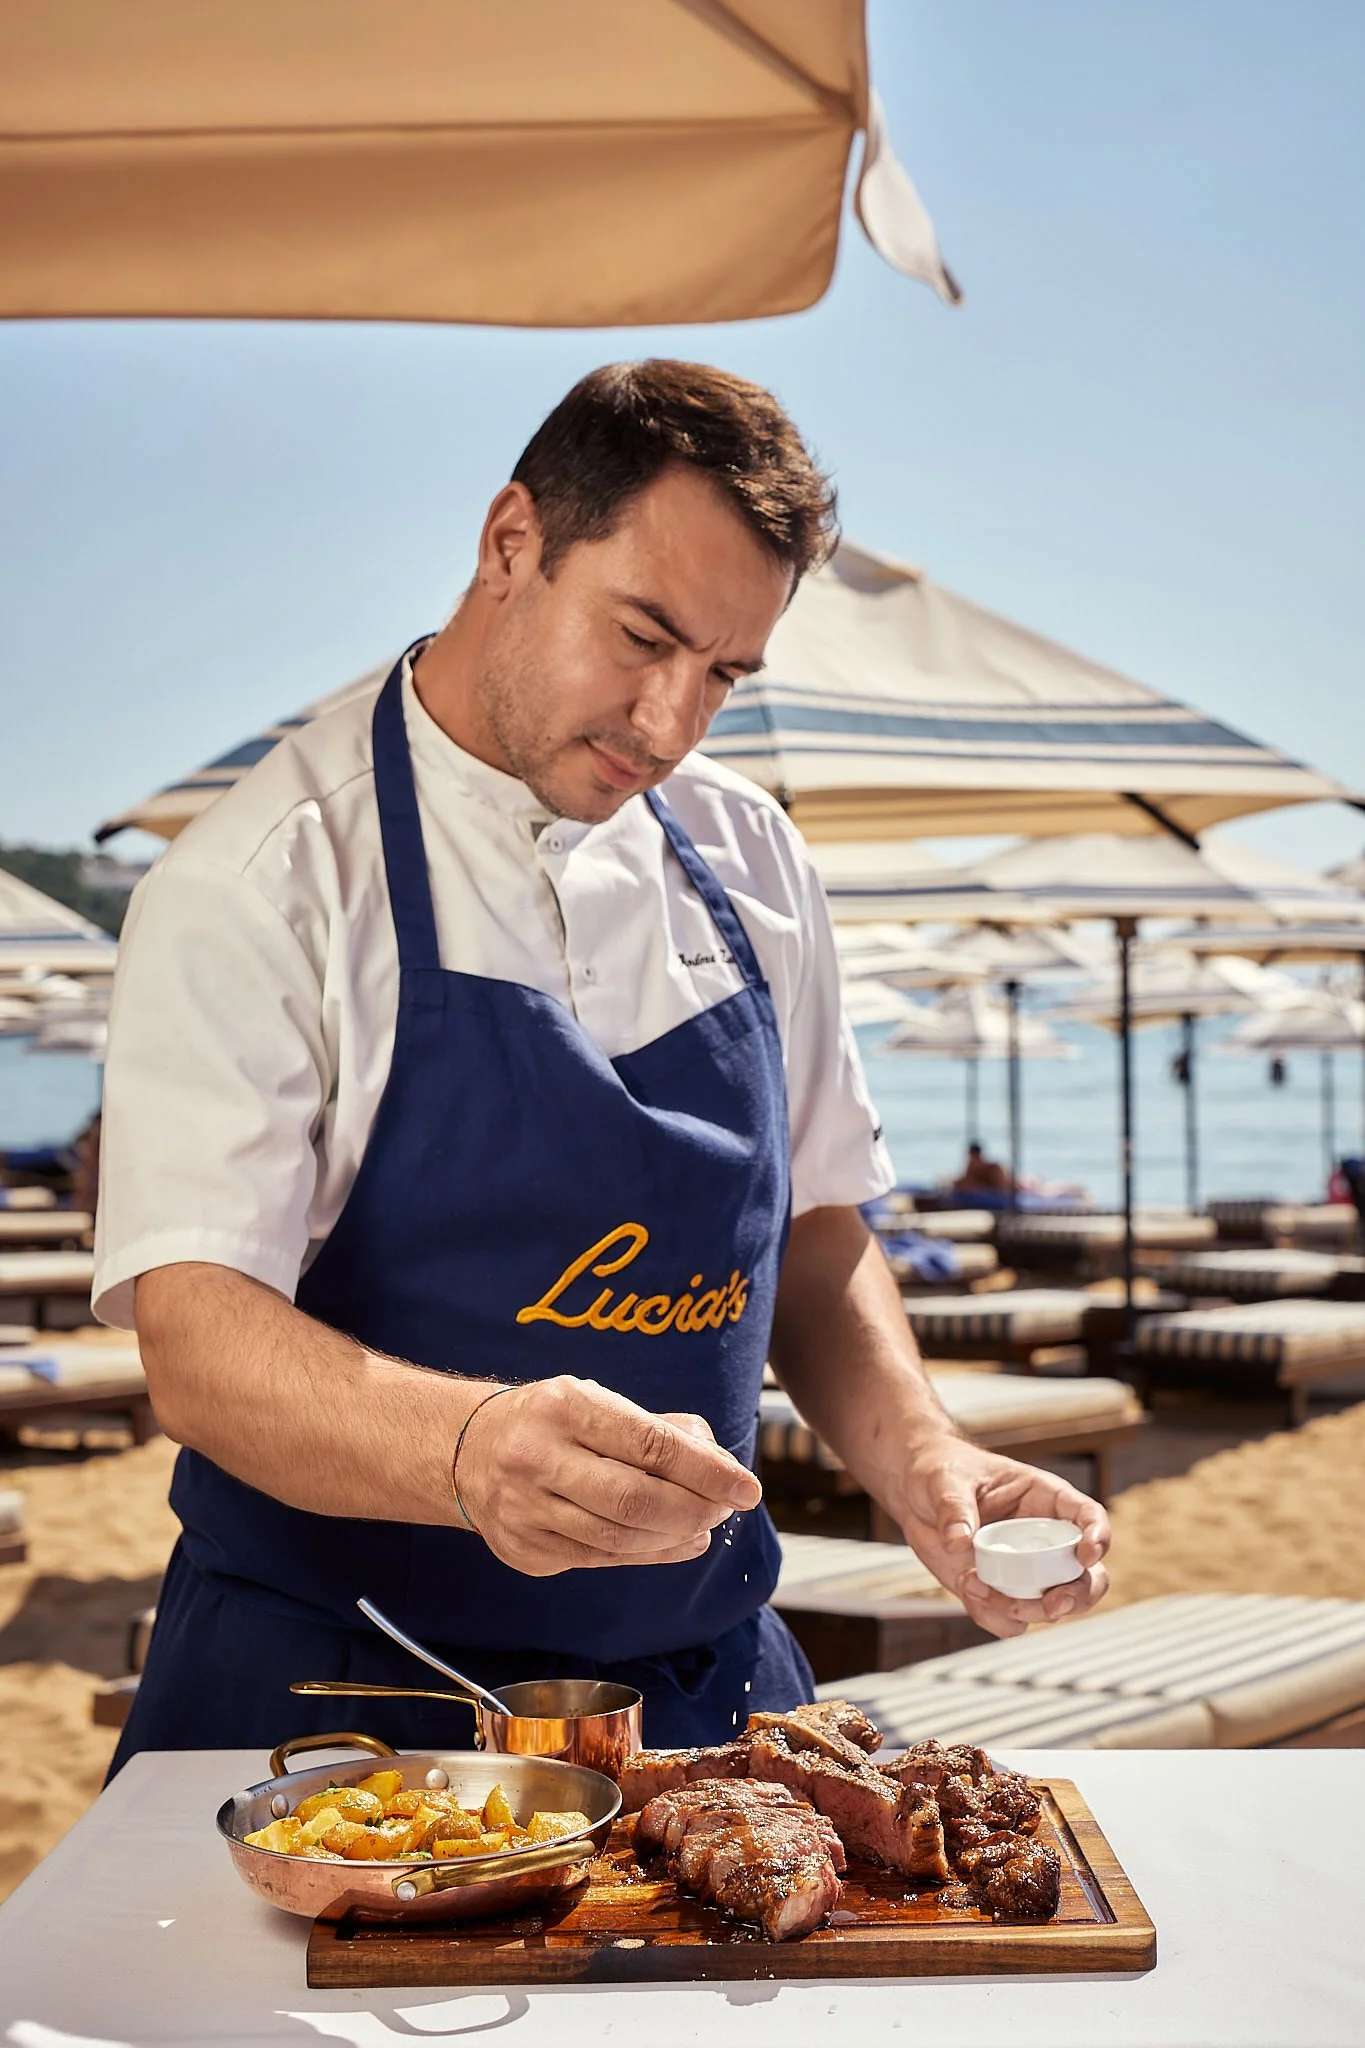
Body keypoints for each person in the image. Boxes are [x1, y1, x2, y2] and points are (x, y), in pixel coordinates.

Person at [95, 361, 1110, 1768]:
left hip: (706, 1696)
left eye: (724, 677)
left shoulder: (753, 855)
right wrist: (466, 1450)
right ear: (513, 541)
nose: (669, 722)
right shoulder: (258, 879)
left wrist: (925, 1461)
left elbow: (816, 1239)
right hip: (340, 1706)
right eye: (643, 637)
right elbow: (198, 1344)